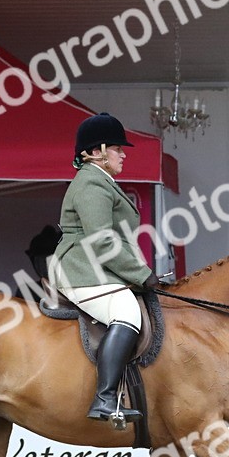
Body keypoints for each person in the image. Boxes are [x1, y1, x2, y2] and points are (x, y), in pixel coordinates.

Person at [49, 112, 159, 423]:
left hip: (94, 268)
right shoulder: (92, 184)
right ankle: (105, 399)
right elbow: (101, 240)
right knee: (126, 312)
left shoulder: (102, 181)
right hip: (79, 268)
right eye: (117, 148)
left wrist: (139, 272)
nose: (123, 154)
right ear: (97, 151)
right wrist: (140, 274)